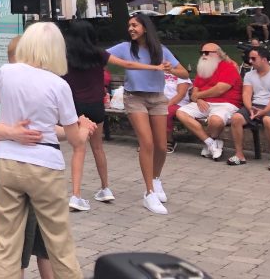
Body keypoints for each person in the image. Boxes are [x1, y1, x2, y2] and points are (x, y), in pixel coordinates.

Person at [0, 22, 95, 279]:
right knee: (59, 243)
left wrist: (9, 126)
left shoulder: (6, 72)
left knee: (6, 244)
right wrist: (84, 129)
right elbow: (75, 139)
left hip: (5, 161)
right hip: (44, 165)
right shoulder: (59, 85)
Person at [62, 19, 174, 212]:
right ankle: (105, 188)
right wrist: (154, 67)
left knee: (79, 149)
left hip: (75, 108)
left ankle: (76, 195)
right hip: (96, 106)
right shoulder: (98, 54)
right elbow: (127, 64)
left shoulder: (64, 56)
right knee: (98, 148)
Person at [0, 37, 52, 279]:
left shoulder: (44, 91)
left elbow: (54, 129)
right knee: (10, 243)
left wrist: (76, 130)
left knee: (46, 241)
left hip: (40, 170)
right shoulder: (2, 86)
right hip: (3, 171)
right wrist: (13, 133)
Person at [106, 12, 187, 214]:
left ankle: (156, 179)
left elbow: (184, 73)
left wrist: (171, 70)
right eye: (129, 25)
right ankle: (149, 193)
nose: (131, 29)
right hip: (135, 98)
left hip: (157, 98)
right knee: (147, 143)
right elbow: (102, 55)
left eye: (135, 25)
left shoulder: (161, 50)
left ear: (145, 27)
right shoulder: (125, 48)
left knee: (161, 145)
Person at [175, 43, 243, 160]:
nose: (203, 55)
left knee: (215, 121)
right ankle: (211, 142)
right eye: (201, 53)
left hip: (226, 103)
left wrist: (198, 96)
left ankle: (212, 141)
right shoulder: (203, 68)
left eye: (206, 53)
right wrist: (199, 99)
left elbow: (220, 89)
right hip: (204, 102)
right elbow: (194, 93)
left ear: (217, 54)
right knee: (180, 112)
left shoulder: (229, 67)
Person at [227, 46, 270, 166]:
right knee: (236, 118)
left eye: (254, 59)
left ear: (264, 59)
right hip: (254, 106)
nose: (250, 61)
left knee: (268, 120)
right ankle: (239, 155)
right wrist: (249, 108)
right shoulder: (250, 75)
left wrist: (264, 112)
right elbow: (246, 94)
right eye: (249, 58)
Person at [163, 69, 192, 154]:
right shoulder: (157, 73)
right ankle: (149, 142)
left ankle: (169, 140)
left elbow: (181, 94)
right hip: (159, 102)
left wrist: (167, 105)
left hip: (178, 103)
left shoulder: (182, 75)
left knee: (165, 112)